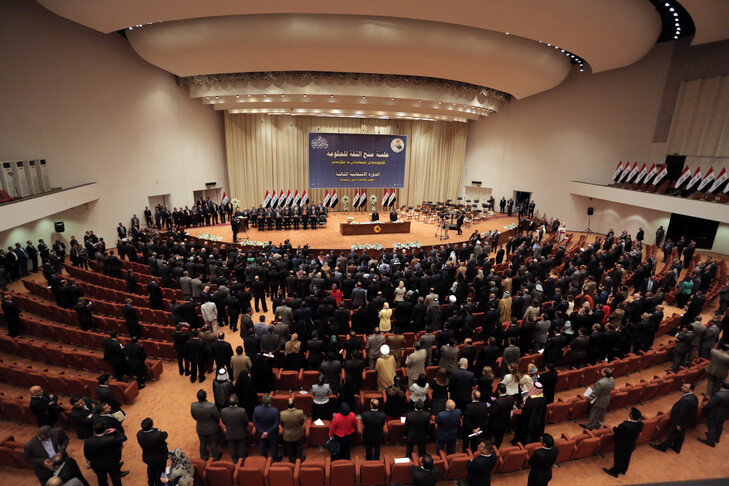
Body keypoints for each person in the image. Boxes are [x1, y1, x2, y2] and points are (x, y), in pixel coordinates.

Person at [650, 382, 698, 453]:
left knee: (672, 434)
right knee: (681, 434)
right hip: (686, 421)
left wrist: (679, 424)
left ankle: (663, 447)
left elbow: (683, 413)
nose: (682, 388)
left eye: (685, 387)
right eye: (683, 386)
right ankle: (677, 447)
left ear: (691, 390)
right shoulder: (694, 397)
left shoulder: (687, 400)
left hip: (680, 421)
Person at [602, 407, 643, 478]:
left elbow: (617, 431)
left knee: (618, 458)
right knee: (627, 457)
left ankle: (615, 472)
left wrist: (614, 428)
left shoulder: (625, 425)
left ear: (631, 416)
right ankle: (623, 470)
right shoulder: (640, 423)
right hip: (631, 444)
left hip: (622, 444)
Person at [84, 421, 128, 486]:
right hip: (112, 463)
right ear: (105, 429)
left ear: (94, 431)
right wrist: (116, 431)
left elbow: (87, 455)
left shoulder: (87, 441)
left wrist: (94, 460)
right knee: (115, 479)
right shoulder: (111, 439)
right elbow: (124, 437)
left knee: (102, 481)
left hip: (98, 465)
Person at [136, 418, 169, 486]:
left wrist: (156, 431)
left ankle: (151, 483)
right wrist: (159, 431)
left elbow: (151, 432)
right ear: (152, 425)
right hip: (159, 459)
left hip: (148, 458)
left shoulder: (139, 434)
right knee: (161, 472)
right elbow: (165, 434)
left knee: (150, 469)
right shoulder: (158, 435)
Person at [190, 389, 221, 461]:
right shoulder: (211, 406)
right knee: (213, 443)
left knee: (203, 443)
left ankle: (204, 457)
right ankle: (215, 457)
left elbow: (194, 416)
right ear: (206, 396)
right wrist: (216, 423)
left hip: (200, 427)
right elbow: (217, 417)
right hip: (211, 428)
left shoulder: (193, 405)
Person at [220, 394, 249, 463]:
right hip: (241, 433)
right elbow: (246, 422)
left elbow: (223, 421)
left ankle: (235, 460)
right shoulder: (242, 411)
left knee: (232, 448)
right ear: (237, 401)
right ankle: (242, 460)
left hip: (230, 433)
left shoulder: (223, 411)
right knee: (242, 447)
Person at [699, 381, 729, 447]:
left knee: (712, 426)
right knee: (720, 425)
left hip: (715, 414)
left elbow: (710, 404)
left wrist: (703, 408)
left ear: (722, 387)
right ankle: (716, 438)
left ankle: (710, 441)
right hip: (725, 414)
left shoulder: (718, 395)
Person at [253, 393, 280, 461]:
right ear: (270, 401)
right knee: (274, 446)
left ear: (262, 400)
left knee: (263, 446)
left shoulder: (256, 409)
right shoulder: (275, 410)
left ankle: (264, 460)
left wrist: (262, 432)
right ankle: (275, 460)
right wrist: (268, 432)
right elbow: (276, 424)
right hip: (272, 432)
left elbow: (255, 423)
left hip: (261, 432)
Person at [279, 398, 305, 463]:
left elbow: (282, 424)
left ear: (286, 405)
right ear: (295, 404)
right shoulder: (300, 412)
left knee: (289, 447)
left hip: (287, 435)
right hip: (297, 433)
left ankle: (291, 459)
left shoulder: (282, 413)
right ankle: (299, 459)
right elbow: (302, 422)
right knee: (298, 446)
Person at [487, 383, 513, 448]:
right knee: (500, 436)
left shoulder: (497, 402)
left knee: (489, 434)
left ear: (498, 391)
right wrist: (496, 400)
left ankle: (488, 446)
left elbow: (492, 412)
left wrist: (488, 407)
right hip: (505, 421)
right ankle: (497, 447)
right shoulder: (511, 398)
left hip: (495, 422)